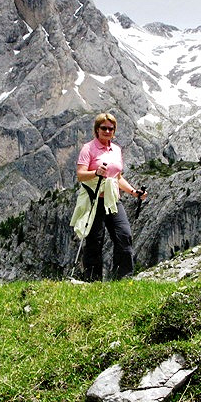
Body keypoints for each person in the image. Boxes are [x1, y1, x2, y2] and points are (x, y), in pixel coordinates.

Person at [70, 112, 147, 281]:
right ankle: (92, 280)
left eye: (110, 128)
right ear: (97, 130)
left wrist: (134, 192)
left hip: (112, 200)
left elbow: (117, 177)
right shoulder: (88, 148)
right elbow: (81, 175)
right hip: (94, 199)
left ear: (114, 131)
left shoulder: (116, 150)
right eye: (103, 128)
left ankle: (124, 278)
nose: (107, 131)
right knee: (94, 241)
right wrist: (96, 172)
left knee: (124, 236)